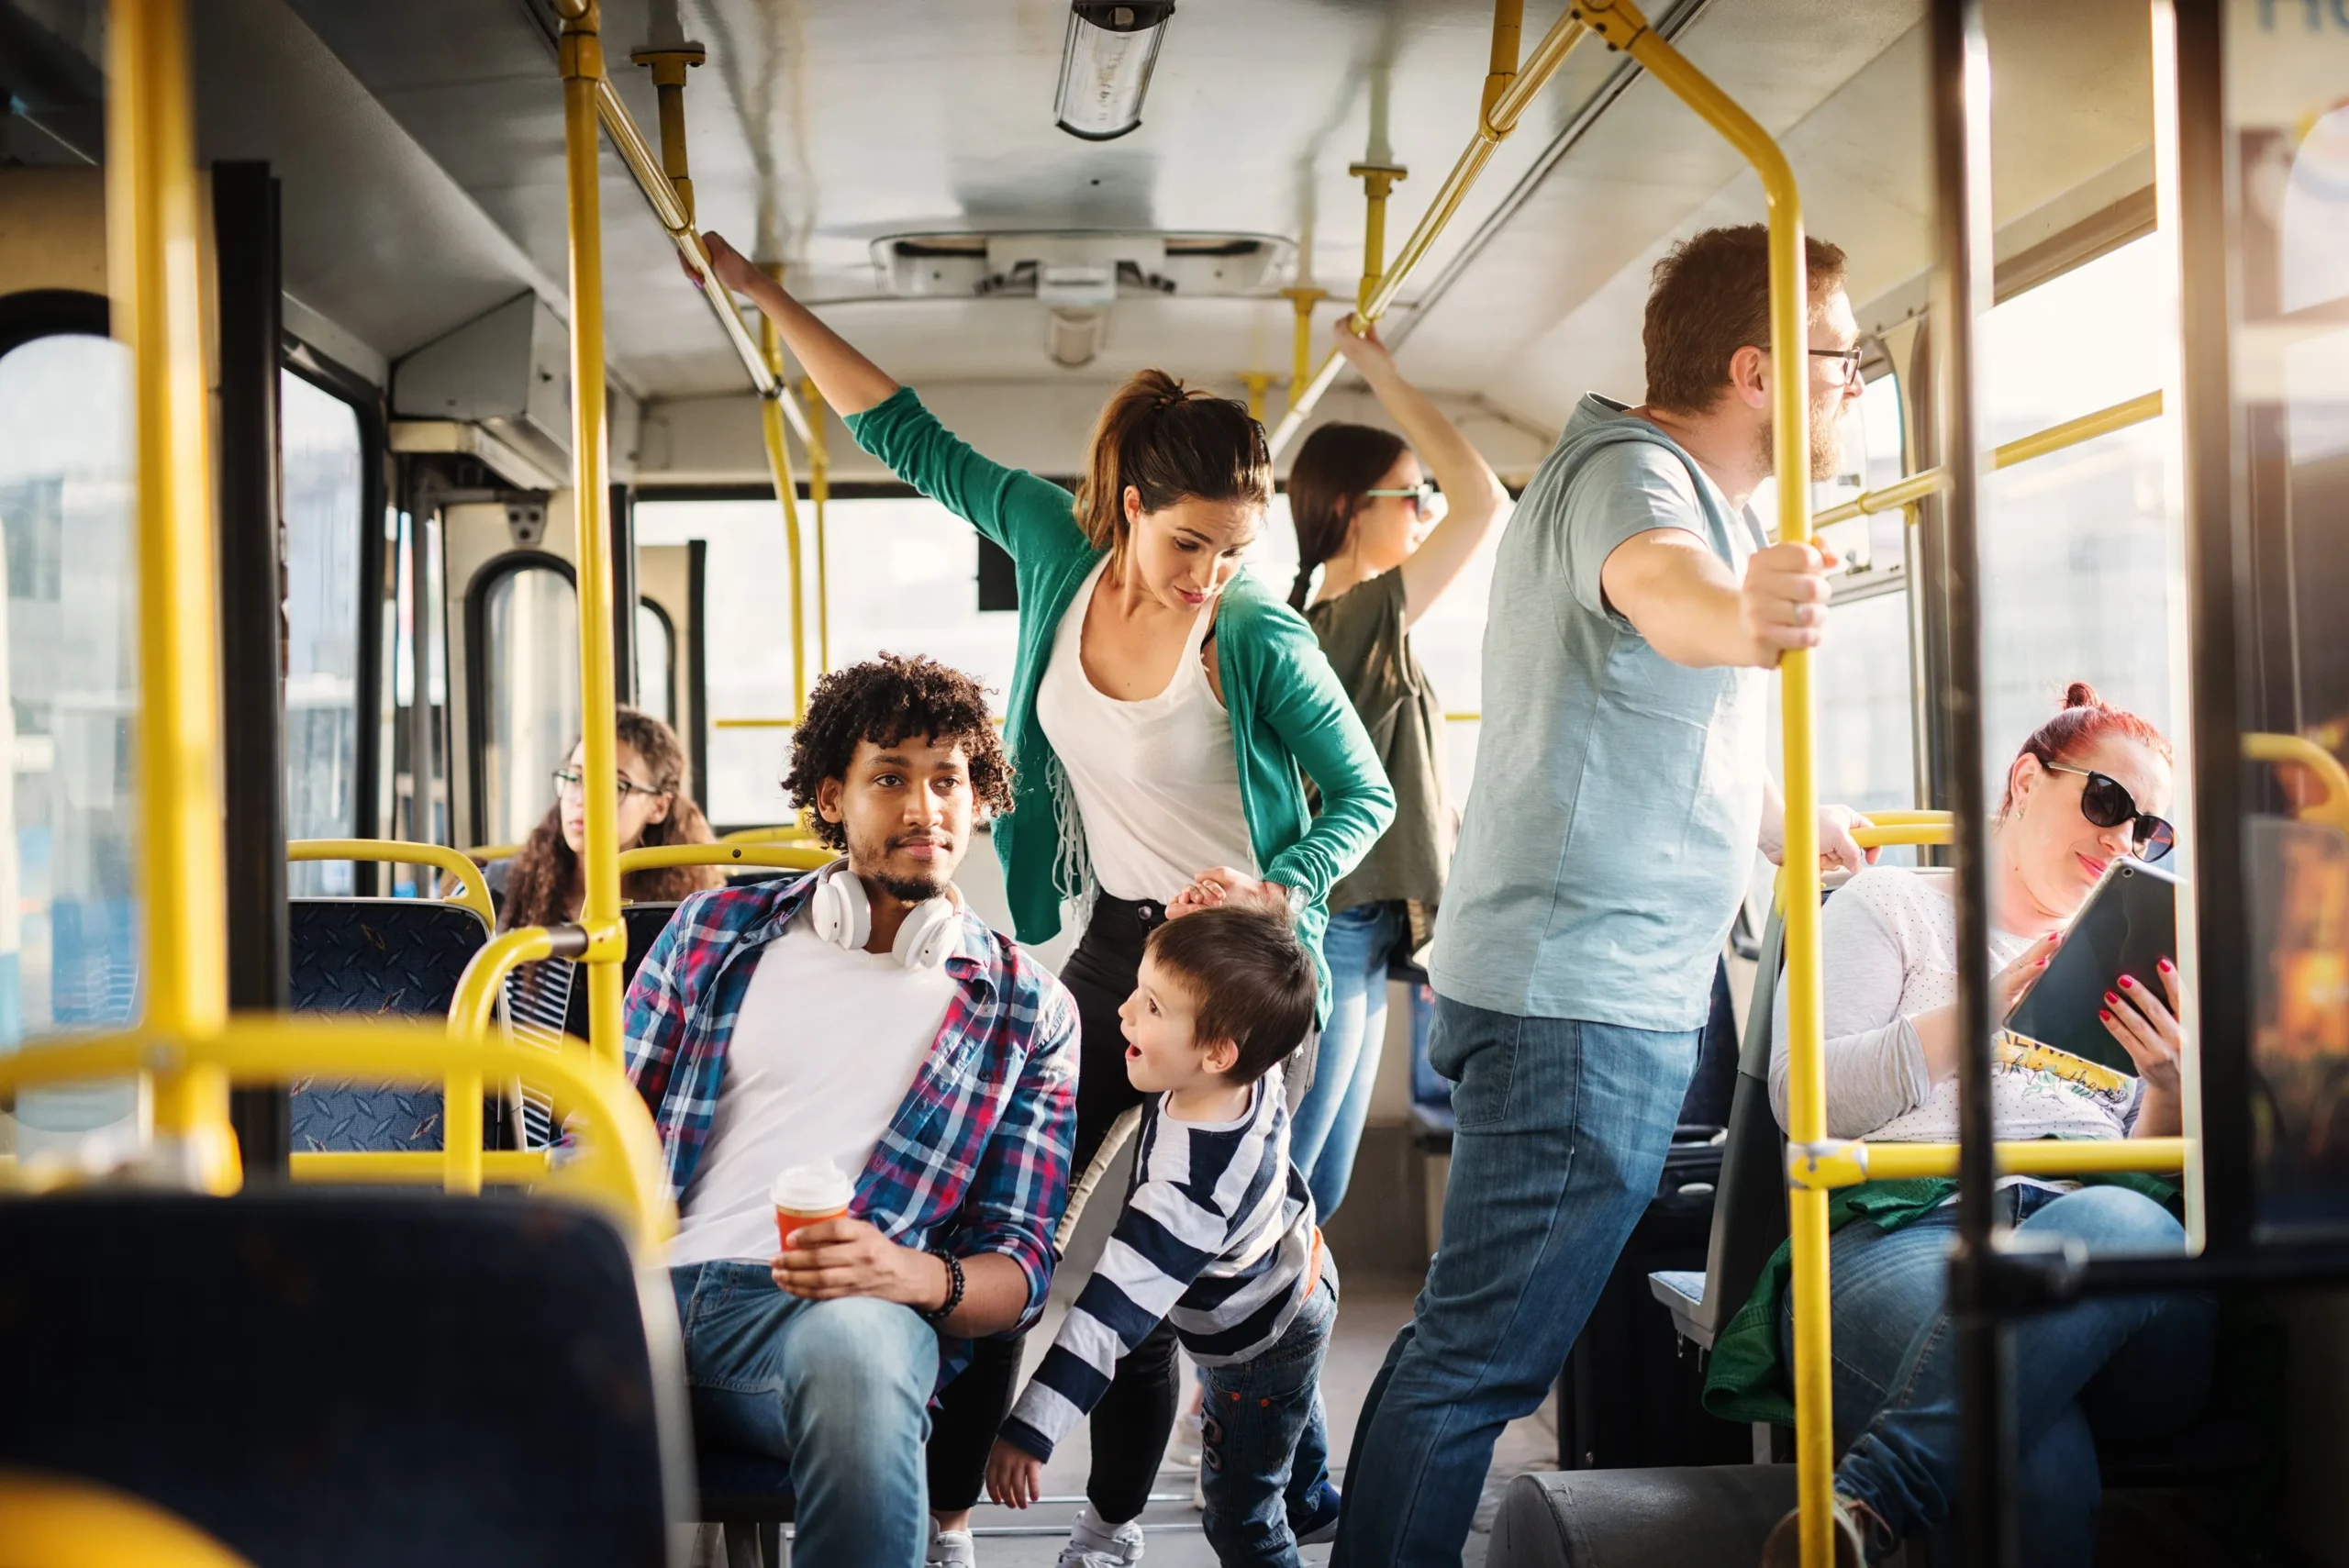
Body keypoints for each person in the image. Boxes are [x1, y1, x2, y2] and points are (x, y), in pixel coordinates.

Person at [690, 230, 1394, 1567]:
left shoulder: (1254, 632)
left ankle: (1130, 1520)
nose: (1210, 577)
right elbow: (908, 434)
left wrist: (1281, 881)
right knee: (1008, 1239)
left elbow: (1369, 798)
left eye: (1234, 552)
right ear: (1126, 505)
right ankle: (949, 1508)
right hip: (1116, 944)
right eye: (1190, 543)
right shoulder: (1055, 554)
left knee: (1193, 1264)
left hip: (1240, 956)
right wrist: (773, 298)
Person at [1335, 223, 1876, 1567]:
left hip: (1570, 977)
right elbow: (1674, 606)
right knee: (1478, 1366)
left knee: (1464, 1344)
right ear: (1758, 371)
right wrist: (1750, 614)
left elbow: (1650, 713)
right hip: (1579, 1000)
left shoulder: (1676, 483)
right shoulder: (1639, 481)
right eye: (1840, 358)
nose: (1854, 381)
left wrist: (1778, 821)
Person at [1730, 684, 2211, 1567]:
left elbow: (2143, 1167)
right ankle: (1888, 1494)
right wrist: (1975, 1016)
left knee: (2129, 1221)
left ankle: (1874, 1494)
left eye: (2149, 830)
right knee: (2032, 1453)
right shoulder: (1891, 910)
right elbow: (1804, 1104)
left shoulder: (2132, 964)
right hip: (1909, 1230)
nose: (2121, 838)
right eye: (2106, 802)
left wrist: (2169, 1085)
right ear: (2027, 779)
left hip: (2098, 1252)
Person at [621, 654, 1080, 1568]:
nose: (924, 808)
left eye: (948, 779)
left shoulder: (1027, 1008)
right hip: (645, 1296)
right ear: (832, 796)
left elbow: (1020, 1267)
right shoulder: (710, 933)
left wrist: (910, 1273)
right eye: (890, 777)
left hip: (831, 1317)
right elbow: (595, 1135)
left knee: (862, 1350)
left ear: (977, 797)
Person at [986, 907, 1339, 1568]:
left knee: (1242, 1517)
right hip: (1298, 1271)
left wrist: (1032, 1427)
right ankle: (1312, 1493)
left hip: (1254, 1337)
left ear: (1216, 1050)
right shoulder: (1248, 1071)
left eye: (1150, 1004)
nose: (1122, 1011)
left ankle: (1287, 1513)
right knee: (1292, 1402)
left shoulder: (1184, 1198)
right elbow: (1264, 983)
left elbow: (1107, 1318)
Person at [1283, 316, 1510, 1221]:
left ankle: (1257, 1359)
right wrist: (1376, 368)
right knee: (1297, 1177)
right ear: (1347, 509)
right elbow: (1484, 499)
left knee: (1319, 1180)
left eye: (1422, 498)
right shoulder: (1354, 617)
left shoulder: (1350, 621)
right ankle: (1236, 1360)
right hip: (1341, 917)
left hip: (1371, 918)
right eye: (1408, 496)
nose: (1425, 513)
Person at [490, 705, 724, 930]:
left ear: (659, 807)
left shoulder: (688, 915)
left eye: (612, 785)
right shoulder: (500, 889)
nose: (582, 799)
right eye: (574, 779)